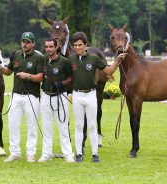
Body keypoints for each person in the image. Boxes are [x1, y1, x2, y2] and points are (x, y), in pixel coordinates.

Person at [69, 31, 125, 163]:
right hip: (77, 95)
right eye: (75, 45)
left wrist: (118, 60)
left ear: (85, 45)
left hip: (90, 95)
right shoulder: (70, 60)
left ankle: (95, 154)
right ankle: (78, 154)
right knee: (78, 125)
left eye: (80, 45)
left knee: (92, 125)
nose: (77, 47)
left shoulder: (94, 58)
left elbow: (109, 71)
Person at [0, 32, 43, 163]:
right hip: (16, 96)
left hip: (32, 96)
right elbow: (8, 72)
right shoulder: (16, 55)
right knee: (13, 125)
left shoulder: (38, 57)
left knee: (32, 126)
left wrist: (27, 76)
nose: (25, 44)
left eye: (28, 42)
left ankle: (31, 153)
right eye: (23, 41)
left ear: (33, 44)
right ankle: (15, 152)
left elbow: (41, 77)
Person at [38, 38, 75, 163]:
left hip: (60, 96)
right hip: (46, 96)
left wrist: (61, 83)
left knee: (63, 126)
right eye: (46, 47)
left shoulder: (64, 61)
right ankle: (46, 154)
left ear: (56, 47)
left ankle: (68, 154)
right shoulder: (42, 59)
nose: (48, 49)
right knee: (46, 127)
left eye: (51, 47)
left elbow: (71, 78)